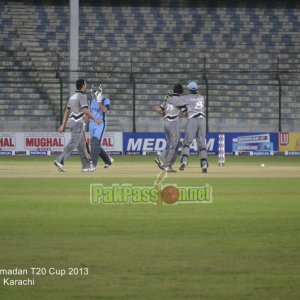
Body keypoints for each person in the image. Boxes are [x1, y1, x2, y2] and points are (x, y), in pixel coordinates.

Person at [54, 79, 101, 172]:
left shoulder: (72, 97)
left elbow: (67, 111)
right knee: (73, 143)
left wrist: (63, 125)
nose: (86, 86)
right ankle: (60, 160)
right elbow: (84, 110)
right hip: (78, 123)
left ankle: (86, 166)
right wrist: (95, 119)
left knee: (82, 146)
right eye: (86, 85)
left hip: (72, 123)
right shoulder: (83, 96)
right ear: (83, 86)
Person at [168, 81, 208, 173]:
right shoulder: (201, 98)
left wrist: (168, 98)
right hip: (202, 120)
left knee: (187, 142)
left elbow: (175, 102)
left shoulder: (187, 98)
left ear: (189, 89)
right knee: (202, 143)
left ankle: (184, 161)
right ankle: (204, 164)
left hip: (193, 119)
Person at [155, 83, 185, 172]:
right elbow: (185, 113)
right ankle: (167, 165)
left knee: (169, 144)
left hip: (166, 122)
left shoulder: (168, 98)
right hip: (173, 123)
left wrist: (165, 114)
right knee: (174, 145)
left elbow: (160, 110)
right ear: (181, 92)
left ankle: (160, 159)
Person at [87, 84, 113, 168]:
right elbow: (89, 114)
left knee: (95, 142)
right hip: (91, 124)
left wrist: (99, 102)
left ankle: (93, 164)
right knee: (96, 145)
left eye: (95, 92)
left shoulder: (105, 100)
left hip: (100, 124)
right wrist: (82, 122)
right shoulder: (91, 102)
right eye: (93, 91)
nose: (94, 93)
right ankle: (108, 161)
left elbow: (105, 110)